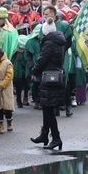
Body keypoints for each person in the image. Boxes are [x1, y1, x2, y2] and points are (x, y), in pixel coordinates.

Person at [30, 18, 66, 150]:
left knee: (48, 109)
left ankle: (56, 138)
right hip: (54, 77)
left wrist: (34, 69)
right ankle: (44, 135)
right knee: (47, 108)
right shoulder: (58, 41)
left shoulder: (50, 43)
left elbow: (42, 59)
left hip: (49, 78)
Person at [0, 47, 15, 132]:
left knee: (7, 106)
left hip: (6, 86)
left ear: (0, 53)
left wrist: (1, 86)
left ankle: (9, 122)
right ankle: (0, 124)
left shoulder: (7, 62)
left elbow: (9, 76)